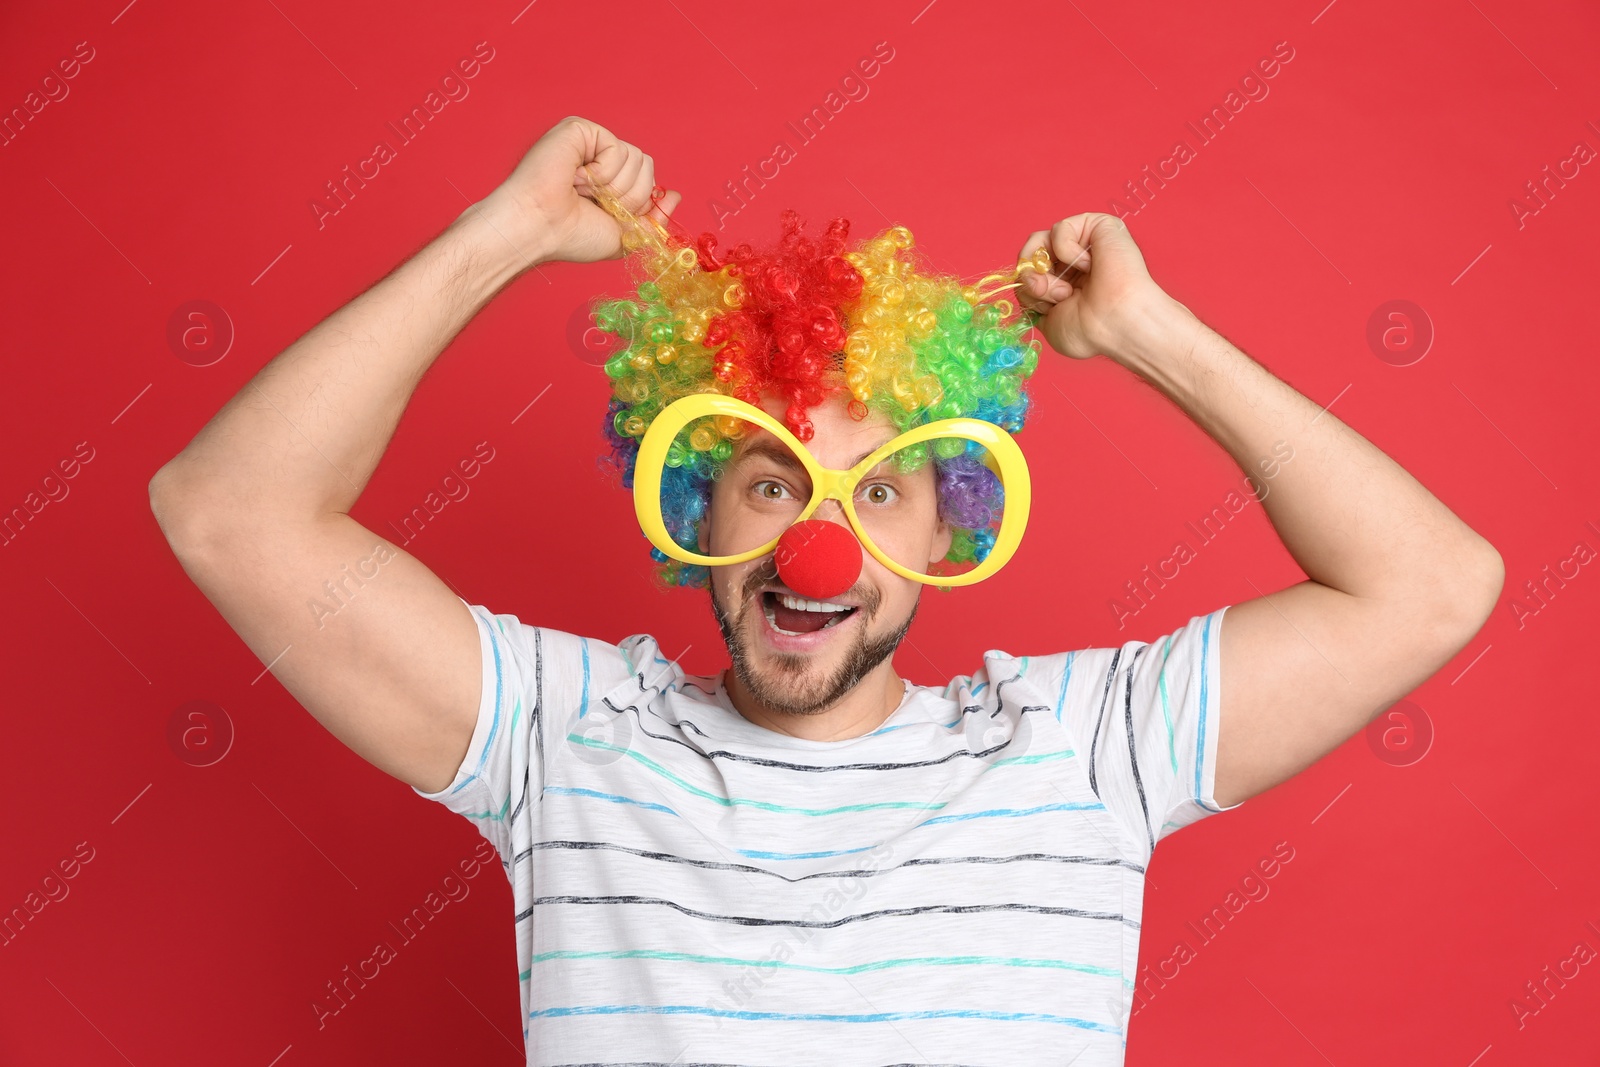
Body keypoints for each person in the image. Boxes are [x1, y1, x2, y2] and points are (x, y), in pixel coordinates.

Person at [148, 115, 1503, 1065]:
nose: (822, 545)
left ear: (951, 523)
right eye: (774, 480)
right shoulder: (566, 739)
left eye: (880, 490)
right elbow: (227, 512)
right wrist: (498, 235)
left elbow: (1434, 584)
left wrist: (1148, 336)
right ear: (696, 506)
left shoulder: (1085, 753)